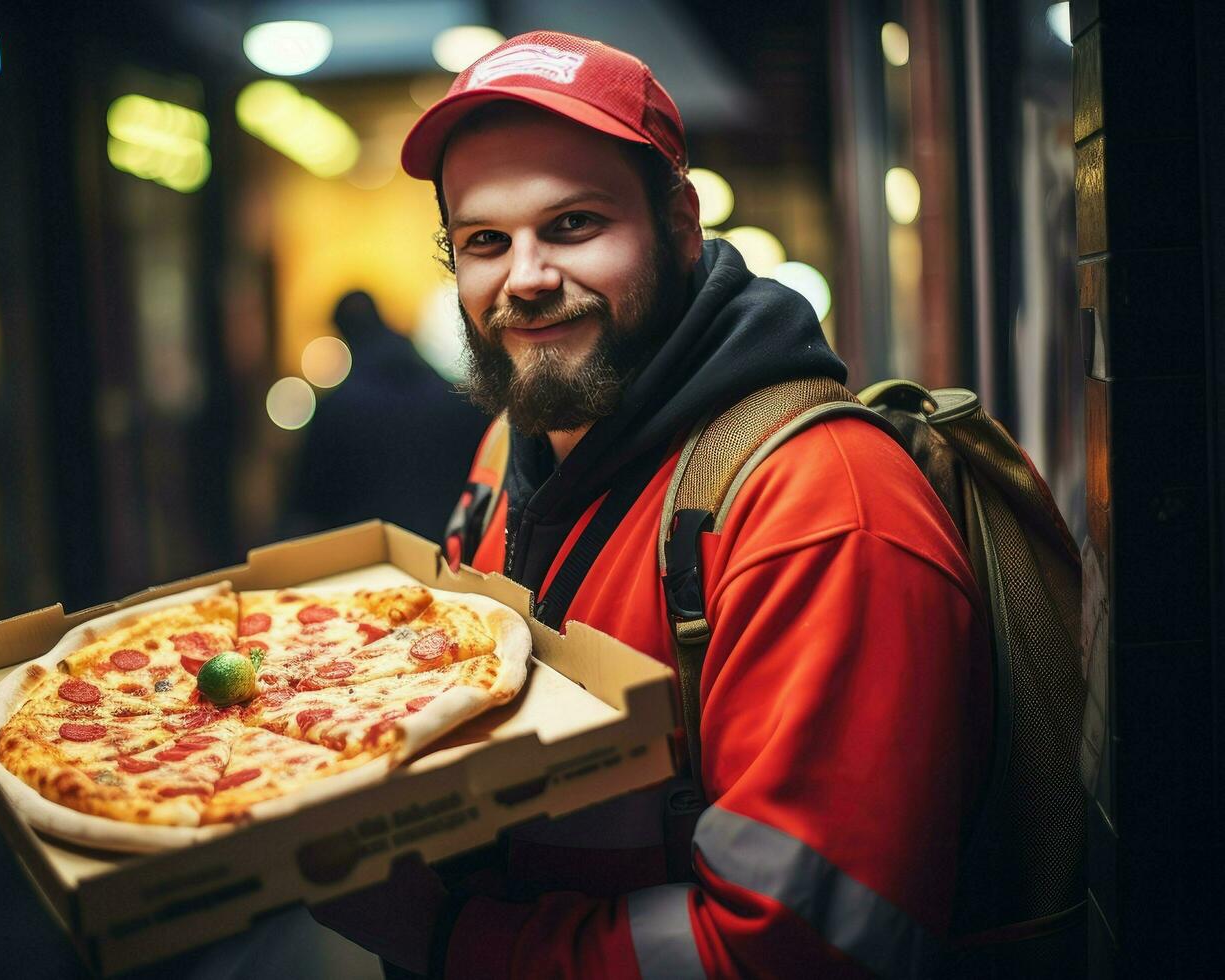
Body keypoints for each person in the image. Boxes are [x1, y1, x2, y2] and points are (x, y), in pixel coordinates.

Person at [315, 31, 990, 978]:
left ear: (679, 224)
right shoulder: (507, 447)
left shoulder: (822, 508)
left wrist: (445, 940)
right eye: (484, 241)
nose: (526, 278)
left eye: (575, 224)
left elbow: (801, 954)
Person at [280, 290, 487, 542]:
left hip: (367, 559)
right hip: (446, 552)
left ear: (343, 333)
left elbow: (310, 502)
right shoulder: (452, 396)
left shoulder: (338, 408)